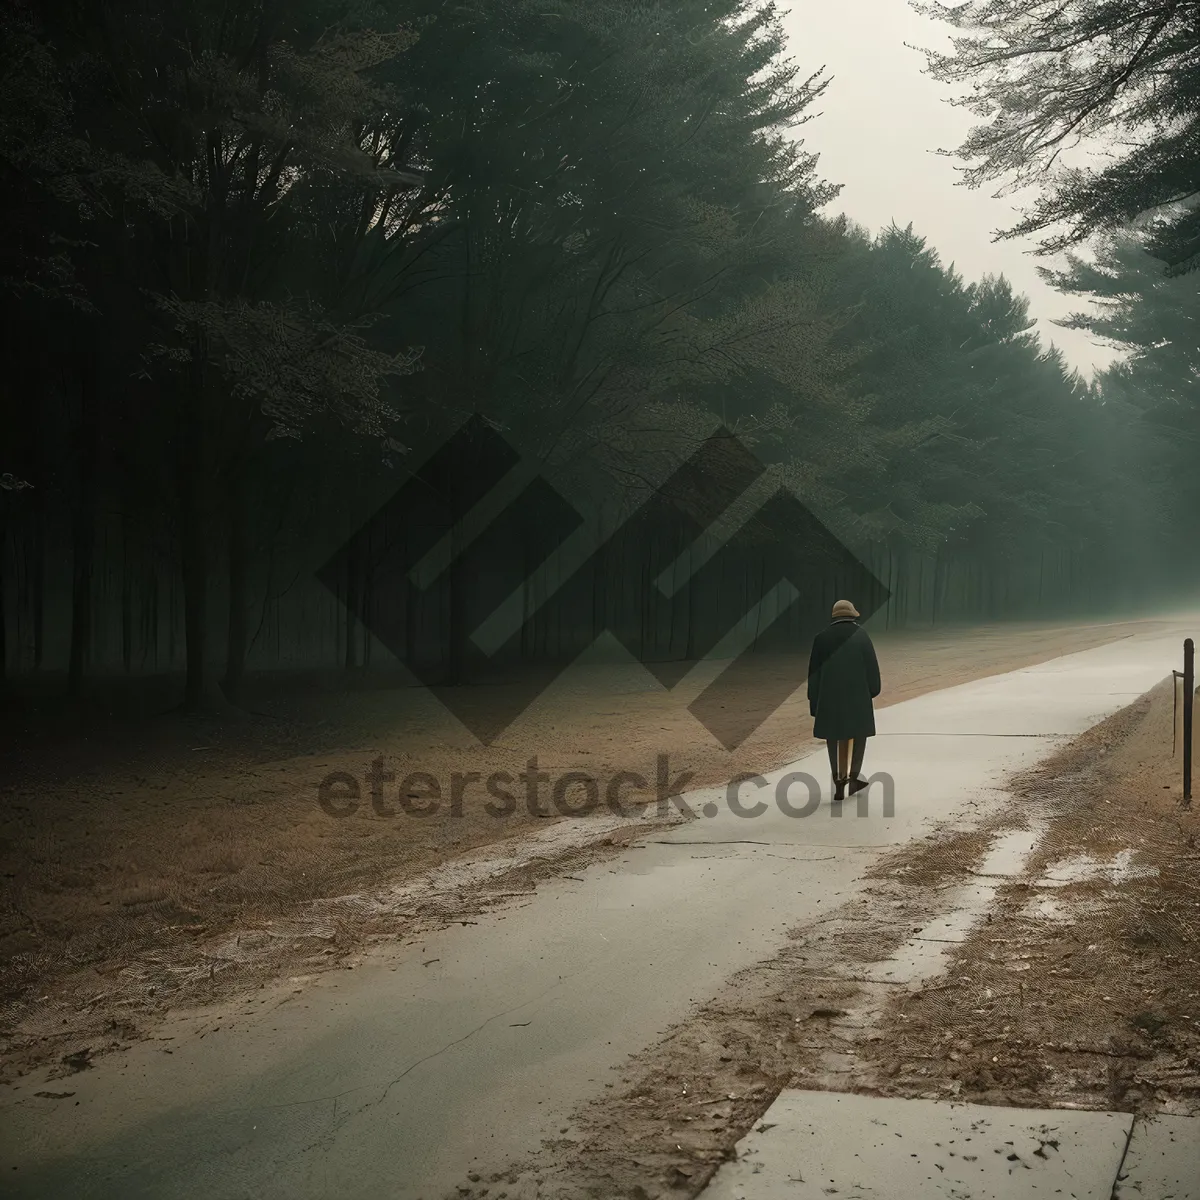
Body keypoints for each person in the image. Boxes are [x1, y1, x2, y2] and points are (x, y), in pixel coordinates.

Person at [807, 599, 881, 802]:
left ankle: (838, 783)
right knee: (858, 735)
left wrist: (815, 701)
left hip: (829, 699)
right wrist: (872, 691)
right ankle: (854, 778)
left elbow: (813, 674)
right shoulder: (862, 636)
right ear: (853, 616)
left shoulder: (821, 639)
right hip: (858, 697)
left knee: (833, 736)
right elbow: (872, 669)